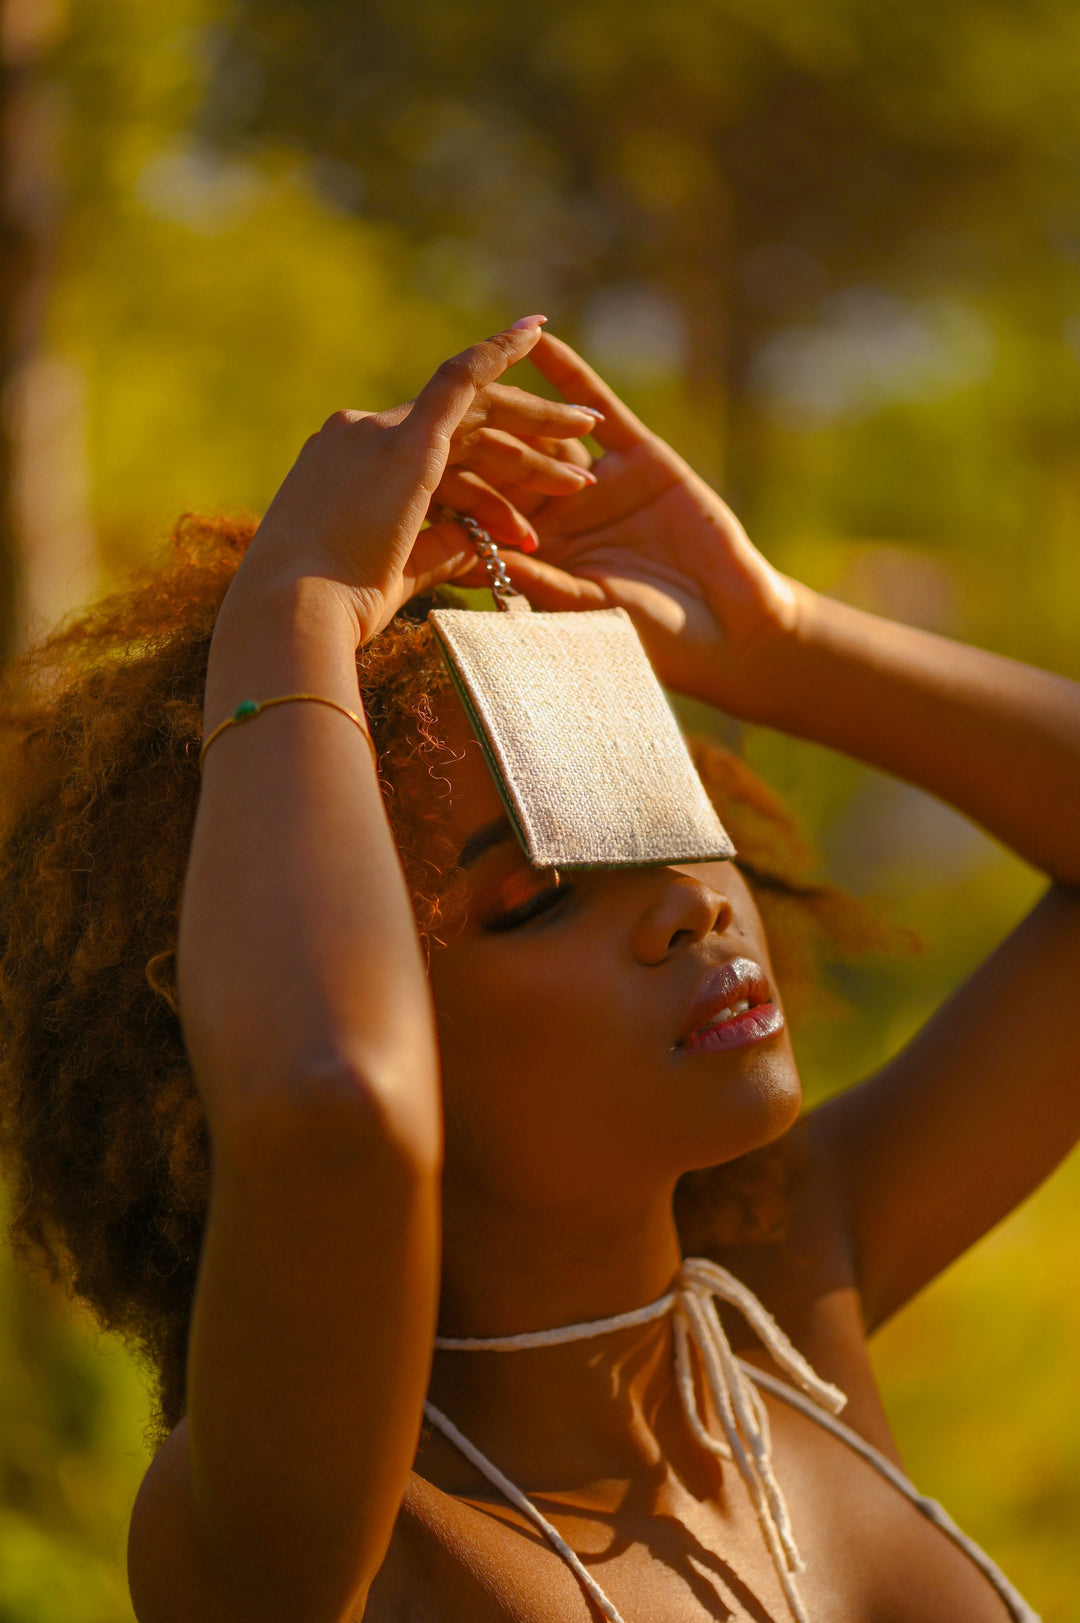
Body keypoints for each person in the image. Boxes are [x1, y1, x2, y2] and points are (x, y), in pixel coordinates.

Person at [1, 314, 1077, 1623]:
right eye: (538, 898)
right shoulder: (318, 1531)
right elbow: (331, 1106)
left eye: (673, 820)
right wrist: (296, 609)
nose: (690, 903)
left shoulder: (787, 1299)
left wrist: (776, 635)